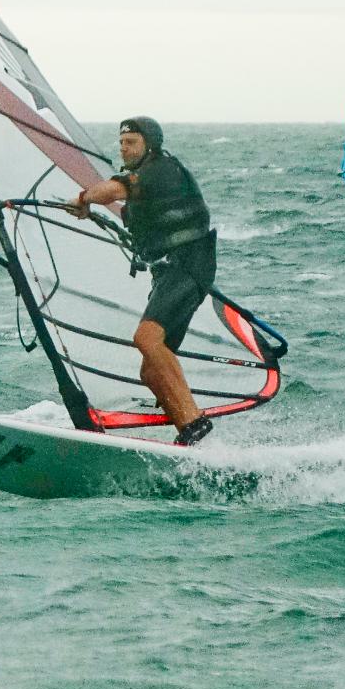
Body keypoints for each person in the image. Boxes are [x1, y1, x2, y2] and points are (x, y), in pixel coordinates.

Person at [66, 117, 217, 445]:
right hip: (168, 273)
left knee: (147, 339)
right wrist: (88, 211)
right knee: (150, 371)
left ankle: (193, 419)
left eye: (131, 142)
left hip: (188, 265)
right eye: (121, 142)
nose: (124, 148)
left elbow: (112, 190)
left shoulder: (161, 169)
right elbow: (134, 215)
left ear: (150, 145)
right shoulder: (145, 186)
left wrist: (84, 197)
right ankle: (188, 437)